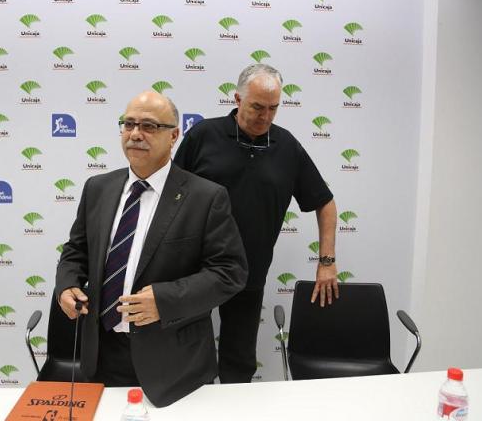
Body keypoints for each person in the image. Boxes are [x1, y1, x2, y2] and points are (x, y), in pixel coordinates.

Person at [55, 90, 248, 407]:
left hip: (174, 365)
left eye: (148, 126)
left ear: (174, 135)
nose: (135, 134)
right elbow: (76, 251)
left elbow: (230, 273)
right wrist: (67, 285)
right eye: (128, 124)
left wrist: (164, 299)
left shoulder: (206, 197)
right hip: (100, 357)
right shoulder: (97, 188)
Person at [174, 63, 339, 383]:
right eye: (257, 107)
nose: (265, 116)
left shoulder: (287, 146)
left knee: (238, 365)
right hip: (194, 270)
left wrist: (327, 262)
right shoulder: (203, 136)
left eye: (274, 108)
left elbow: (325, 203)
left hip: (247, 274)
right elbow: (170, 198)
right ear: (237, 98)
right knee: (188, 362)